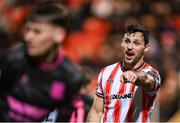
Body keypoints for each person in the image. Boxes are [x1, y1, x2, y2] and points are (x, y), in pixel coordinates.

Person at [0, 2, 88, 122]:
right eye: (27, 30)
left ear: (59, 35)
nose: (28, 37)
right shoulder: (10, 60)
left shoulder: (71, 78)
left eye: (37, 32)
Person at [87, 24, 161, 122]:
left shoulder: (152, 73)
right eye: (127, 41)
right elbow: (96, 111)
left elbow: (147, 79)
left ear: (146, 48)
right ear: (122, 43)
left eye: (136, 43)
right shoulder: (106, 72)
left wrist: (136, 76)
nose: (130, 47)